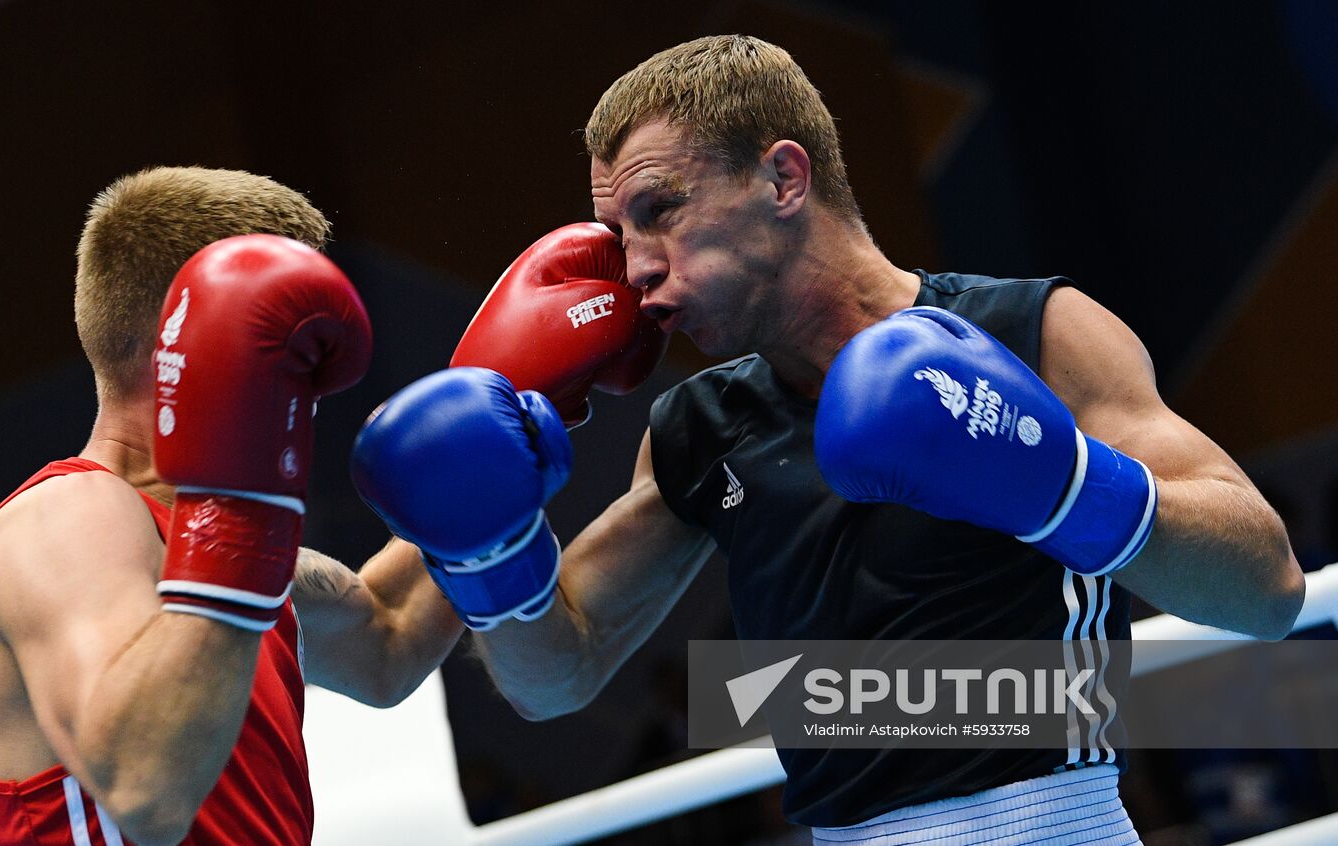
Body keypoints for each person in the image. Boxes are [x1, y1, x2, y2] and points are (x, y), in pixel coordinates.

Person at [350, 36, 1306, 845]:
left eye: (659, 211)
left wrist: (1054, 480)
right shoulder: (699, 429)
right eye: (614, 234)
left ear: (783, 176)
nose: (634, 269)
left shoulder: (1032, 335)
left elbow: (1267, 588)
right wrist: (492, 553)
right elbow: (556, 674)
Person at [0, 167, 462, 846]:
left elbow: (384, 641)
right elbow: (145, 787)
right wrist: (244, 510)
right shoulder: (62, 519)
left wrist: (490, 446)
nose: (312, 387)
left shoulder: (219, 554)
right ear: (212, 334)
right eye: (295, 348)